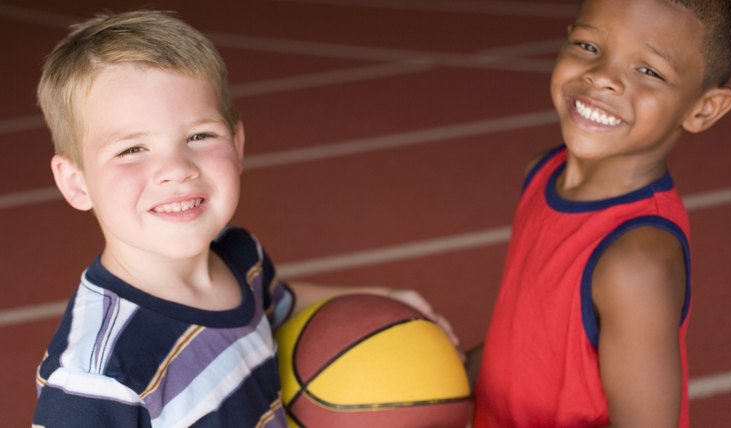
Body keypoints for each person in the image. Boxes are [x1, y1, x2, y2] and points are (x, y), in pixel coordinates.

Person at [32, 10, 451, 427]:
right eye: (131, 150)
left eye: (199, 136)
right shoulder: (96, 376)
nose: (176, 168)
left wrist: (388, 299)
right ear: (76, 183)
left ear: (238, 145)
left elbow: (280, 299)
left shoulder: (240, 256)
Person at [471, 0, 731, 427]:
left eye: (650, 71)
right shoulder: (542, 173)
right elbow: (529, 338)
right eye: (587, 45)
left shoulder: (637, 262)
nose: (601, 77)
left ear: (702, 109)